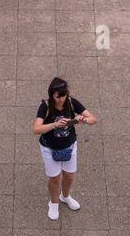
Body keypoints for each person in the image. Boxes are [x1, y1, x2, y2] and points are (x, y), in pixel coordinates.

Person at [33, 77, 96, 220]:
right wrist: (55, 125)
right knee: (54, 178)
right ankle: (54, 203)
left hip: (70, 146)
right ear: (52, 95)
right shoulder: (46, 106)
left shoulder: (72, 103)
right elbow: (36, 129)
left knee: (69, 175)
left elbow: (93, 119)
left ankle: (65, 196)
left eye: (63, 95)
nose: (61, 100)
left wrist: (83, 119)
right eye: (57, 97)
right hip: (49, 148)